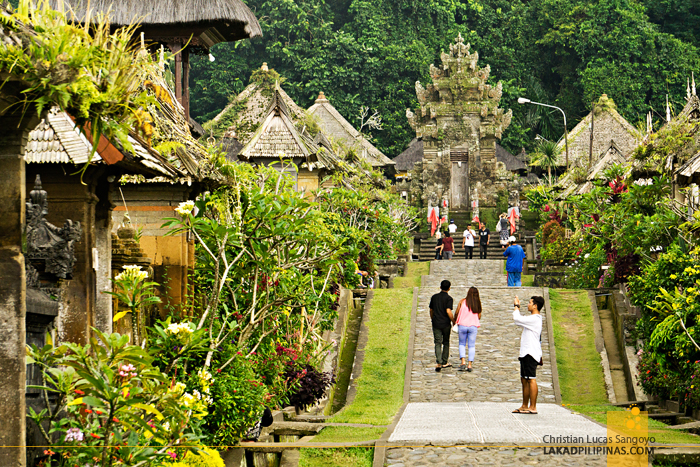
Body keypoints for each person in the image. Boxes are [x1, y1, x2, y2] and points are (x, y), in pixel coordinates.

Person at [512, 295, 544, 415]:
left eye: (530, 303)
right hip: (525, 352)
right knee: (524, 379)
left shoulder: (535, 318)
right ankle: (525, 405)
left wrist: (516, 306)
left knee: (531, 379)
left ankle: (533, 406)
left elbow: (517, 319)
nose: (528, 305)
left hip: (531, 352)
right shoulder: (532, 319)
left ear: (535, 306)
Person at [429, 280, 454, 372]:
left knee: (437, 342)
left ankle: (438, 362)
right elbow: (448, 311)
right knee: (446, 342)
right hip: (446, 324)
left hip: (436, 323)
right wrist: (453, 321)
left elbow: (431, 310)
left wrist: (432, 318)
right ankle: (444, 362)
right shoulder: (449, 299)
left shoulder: (434, 297)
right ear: (449, 288)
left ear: (440, 287)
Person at [454, 287, 482, 372]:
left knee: (462, 343)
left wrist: (455, 320)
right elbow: (479, 316)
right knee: (471, 345)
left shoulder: (462, 301)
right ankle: (470, 364)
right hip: (473, 326)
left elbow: (457, 312)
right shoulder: (477, 303)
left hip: (462, 325)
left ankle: (463, 362)